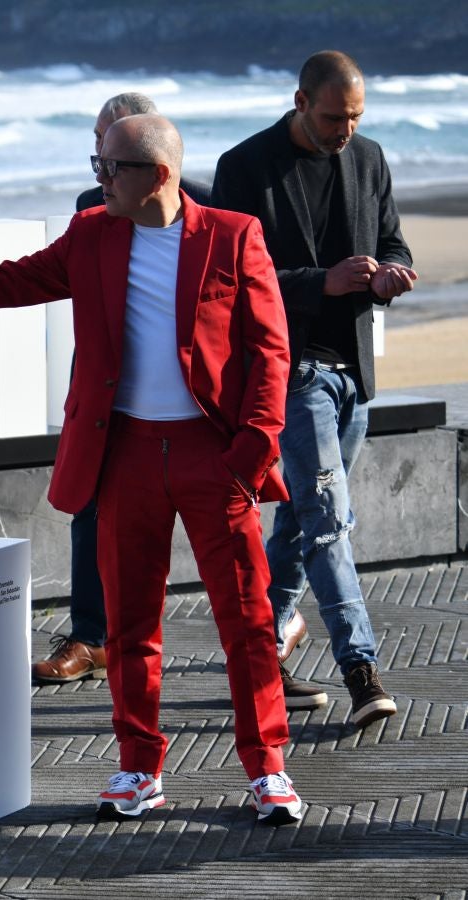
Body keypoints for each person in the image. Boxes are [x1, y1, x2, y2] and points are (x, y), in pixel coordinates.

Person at [0, 114, 305, 827]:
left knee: (247, 619)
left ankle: (268, 768)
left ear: (160, 176)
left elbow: (270, 350)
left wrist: (251, 451)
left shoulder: (233, 236)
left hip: (215, 457)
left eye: (112, 167)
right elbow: (5, 281)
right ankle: (140, 767)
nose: (99, 179)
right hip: (126, 455)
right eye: (97, 163)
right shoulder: (93, 234)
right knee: (128, 625)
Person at [212, 51, 414, 727]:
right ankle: (361, 669)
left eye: (355, 117)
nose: (345, 131)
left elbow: (395, 242)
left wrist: (391, 274)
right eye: (333, 117)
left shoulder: (371, 158)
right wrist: (318, 281)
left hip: (353, 368)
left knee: (302, 517)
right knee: (329, 522)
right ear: (301, 101)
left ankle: (258, 646)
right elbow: (236, 279)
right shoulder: (245, 167)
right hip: (288, 372)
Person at [37, 91, 218, 685]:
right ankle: (91, 636)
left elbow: (253, 335)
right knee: (89, 507)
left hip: (189, 416)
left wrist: (254, 437)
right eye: (96, 147)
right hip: (103, 388)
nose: (98, 160)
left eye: (109, 150)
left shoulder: (213, 214)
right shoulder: (95, 210)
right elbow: (25, 277)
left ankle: (259, 645)